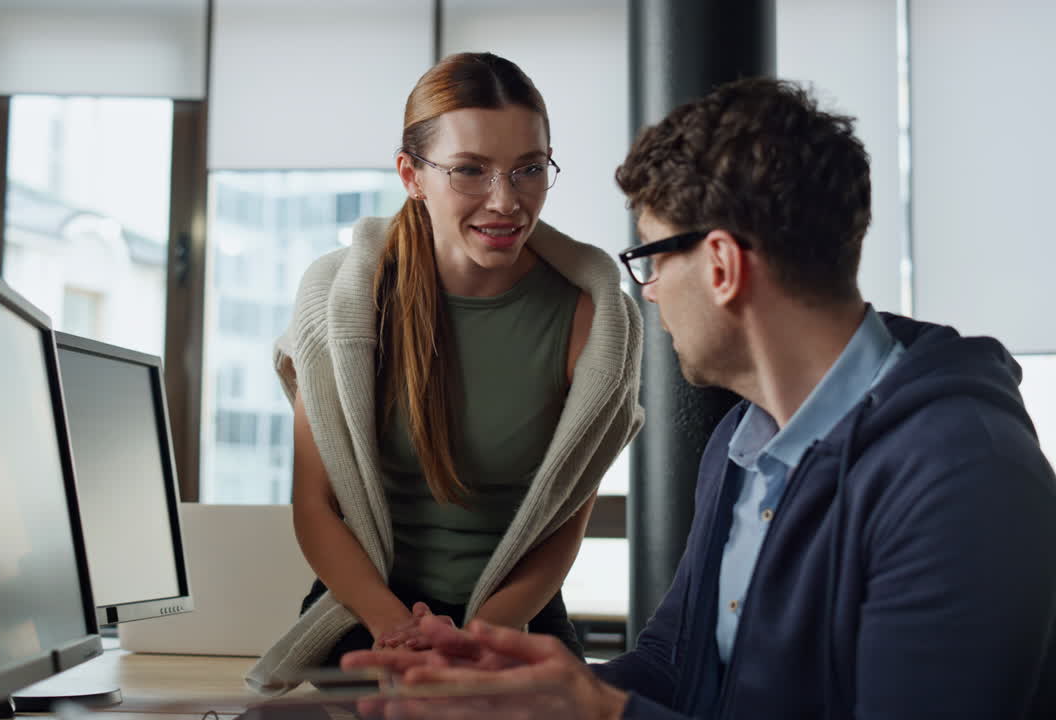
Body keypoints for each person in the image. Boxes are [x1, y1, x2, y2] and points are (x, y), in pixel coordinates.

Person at [343, 76, 1056, 718]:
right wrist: (515, 687)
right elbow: (673, 673)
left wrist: (598, 714)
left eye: (651, 257)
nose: (646, 294)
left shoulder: (965, 478)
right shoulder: (741, 443)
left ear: (720, 266)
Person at [245, 52, 645, 695]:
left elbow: (569, 516)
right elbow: (315, 507)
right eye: (469, 171)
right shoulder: (341, 298)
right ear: (411, 175)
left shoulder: (594, 320)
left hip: (514, 616)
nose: (506, 200)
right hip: (366, 612)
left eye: (529, 170)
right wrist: (395, 626)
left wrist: (476, 638)